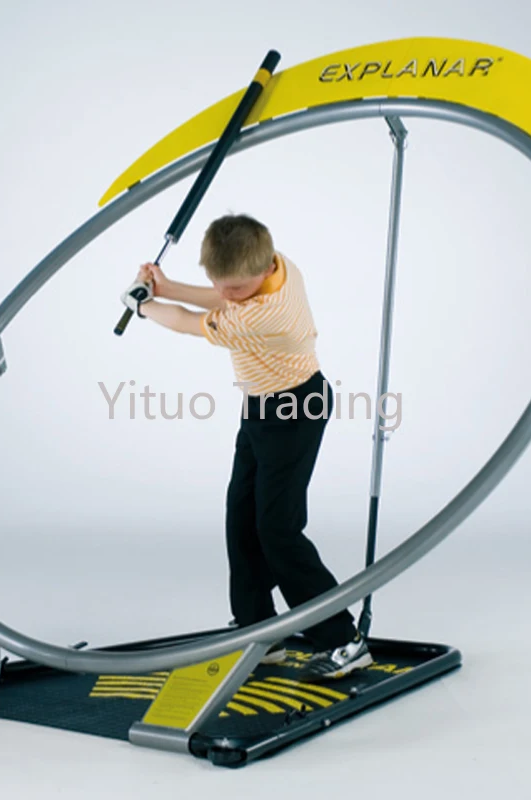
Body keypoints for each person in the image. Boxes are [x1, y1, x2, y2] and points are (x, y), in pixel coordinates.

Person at [121, 214, 372, 680]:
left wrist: (143, 306)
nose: (227, 292)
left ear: (262, 269)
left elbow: (187, 323)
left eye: (235, 287)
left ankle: (343, 640)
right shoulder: (276, 265)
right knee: (241, 515)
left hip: (295, 411)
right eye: (220, 282)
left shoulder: (261, 316)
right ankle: (260, 630)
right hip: (260, 406)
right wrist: (167, 286)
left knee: (277, 529)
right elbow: (223, 293)